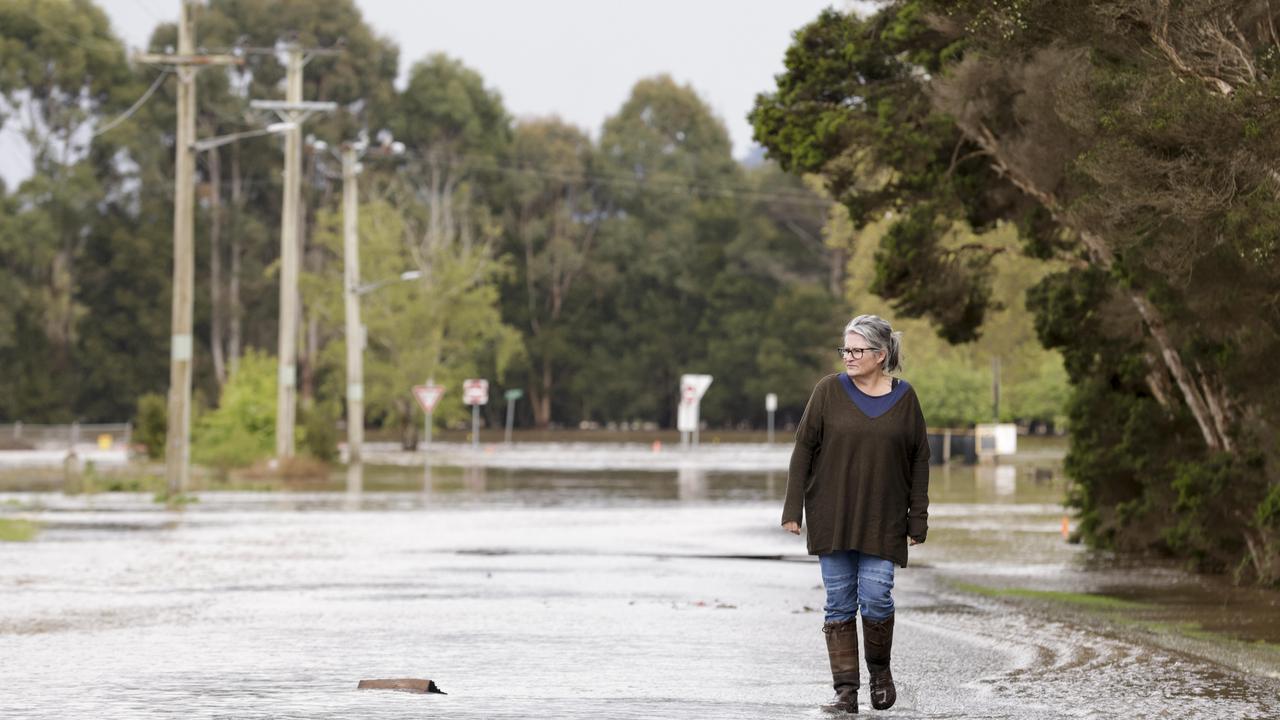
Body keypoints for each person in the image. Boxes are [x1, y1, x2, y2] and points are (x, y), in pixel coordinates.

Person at [782, 314, 930, 714]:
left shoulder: (906, 398)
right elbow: (803, 450)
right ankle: (846, 691)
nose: (848, 356)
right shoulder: (827, 391)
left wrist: (918, 518)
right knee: (839, 602)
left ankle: (880, 673)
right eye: (845, 349)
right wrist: (792, 508)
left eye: (856, 350)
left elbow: (919, 459)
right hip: (831, 513)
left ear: (880, 355)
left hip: (884, 518)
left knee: (877, 596)